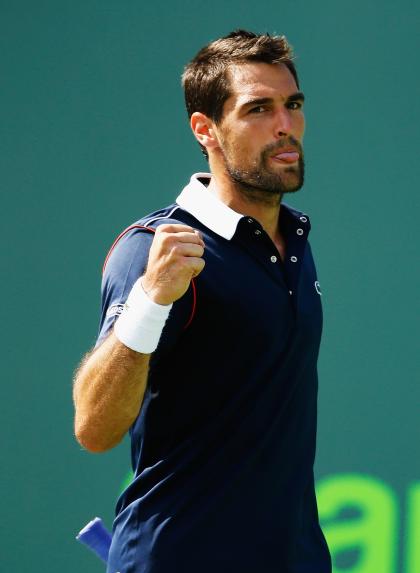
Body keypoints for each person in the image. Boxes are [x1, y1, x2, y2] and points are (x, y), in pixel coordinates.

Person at [73, 29, 332, 573]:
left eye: (293, 105)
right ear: (206, 129)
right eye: (258, 109)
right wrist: (150, 298)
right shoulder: (151, 249)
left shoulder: (293, 243)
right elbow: (94, 427)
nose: (285, 125)